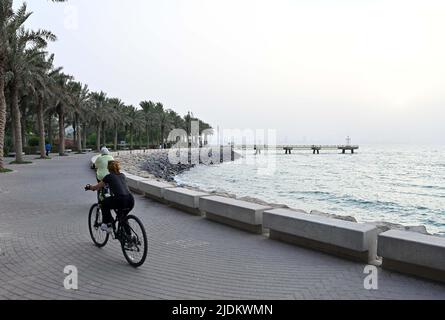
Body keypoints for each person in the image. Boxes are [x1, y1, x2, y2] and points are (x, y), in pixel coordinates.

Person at [85, 160, 134, 233]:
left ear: (108, 169)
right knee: (122, 217)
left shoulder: (108, 177)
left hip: (120, 199)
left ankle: (108, 224)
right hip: (130, 200)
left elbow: (96, 187)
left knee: (103, 203)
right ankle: (129, 237)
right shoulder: (123, 175)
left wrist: (89, 187)